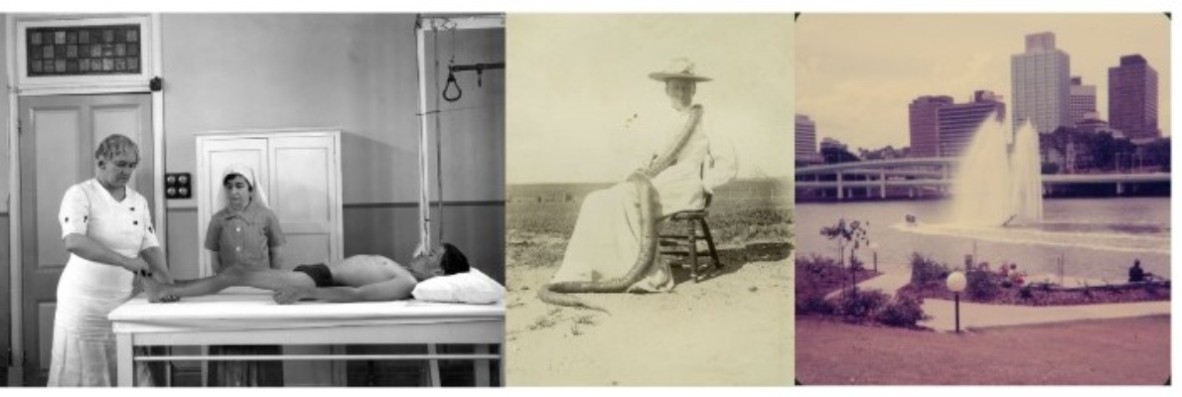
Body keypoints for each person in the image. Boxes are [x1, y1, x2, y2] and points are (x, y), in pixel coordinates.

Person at [548, 59, 736, 292]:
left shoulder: (707, 119)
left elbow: (728, 161)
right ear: (666, 90)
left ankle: (643, 272)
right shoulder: (659, 122)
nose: (681, 92)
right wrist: (637, 171)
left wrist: (706, 184)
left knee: (628, 199)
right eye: (675, 87)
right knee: (595, 200)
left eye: (686, 87)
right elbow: (645, 157)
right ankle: (594, 270)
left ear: (694, 89)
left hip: (685, 184)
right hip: (655, 181)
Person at [49, 134, 172, 386]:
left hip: (121, 302)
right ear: (101, 161)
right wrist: (126, 261)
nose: (127, 171)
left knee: (127, 369)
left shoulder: (138, 201)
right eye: (120, 164)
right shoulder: (80, 194)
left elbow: (150, 247)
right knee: (82, 374)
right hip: (83, 304)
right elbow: (74, 241)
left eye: (131, 165)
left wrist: (170, 284)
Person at [141, 243, 470, 304]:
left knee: (237, 272)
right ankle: (171, 287)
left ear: (439, 270)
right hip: (316, 272)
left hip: (319, 281)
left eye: (432, 254)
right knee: (234, 273)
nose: (425, 252)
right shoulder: (406, 270)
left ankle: (164, 291)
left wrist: (306, 292)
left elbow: (356, 296)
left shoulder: (407, 282)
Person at [199, 163, 287, 386]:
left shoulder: (266, 216)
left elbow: (277, 253)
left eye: (239, 186)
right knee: (228, 339)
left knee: (261, 339)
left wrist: (274, 282)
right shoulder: (218, 219)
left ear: (250, 189)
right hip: (229, 292)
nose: (234, 191)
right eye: (229, 187)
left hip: (262, 290)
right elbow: (215, 258)